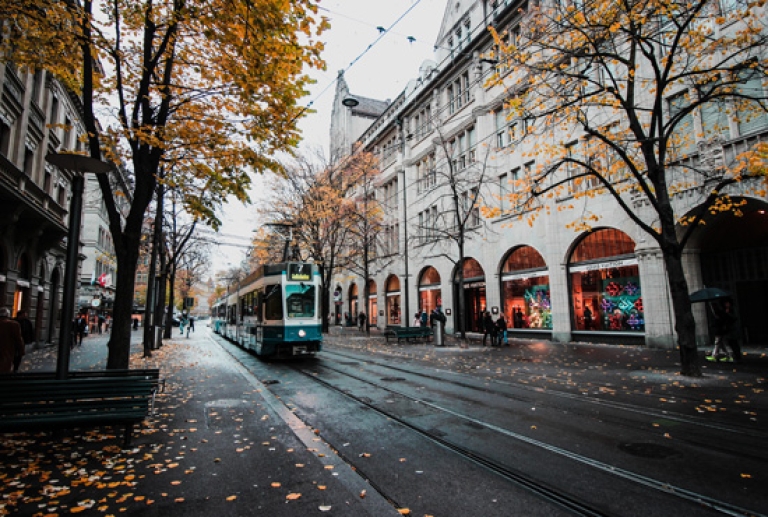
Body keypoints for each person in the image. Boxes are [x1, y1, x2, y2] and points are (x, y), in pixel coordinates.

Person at [0, 307, 24, 374]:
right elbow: (18, 339)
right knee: (5, 367)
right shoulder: (14, 324)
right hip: (7, 349)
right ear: (8, 315)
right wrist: (21, 350)